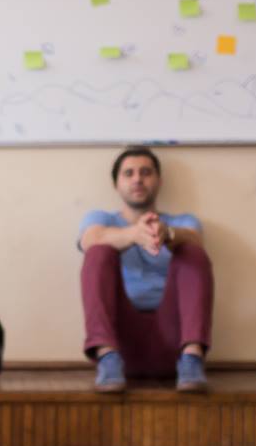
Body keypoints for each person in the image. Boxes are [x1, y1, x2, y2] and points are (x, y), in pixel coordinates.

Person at [77, 147, 213, 393]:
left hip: (175, 343)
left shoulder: (183, 221)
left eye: (146, 172)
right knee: (98, 250)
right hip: (120, 347)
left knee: (191, 250)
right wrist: (134, 234)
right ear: (116, 183)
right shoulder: (101, 219)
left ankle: (193, 358)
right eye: (129, 173)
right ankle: (107, 357)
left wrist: (168, 234)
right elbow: (89, 240)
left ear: (159, 181)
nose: (137, 179)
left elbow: (196, 239)